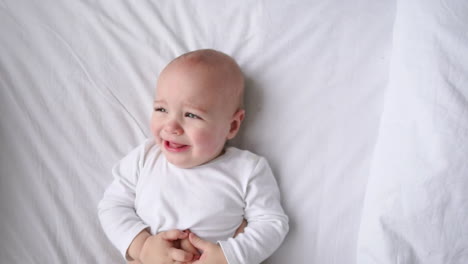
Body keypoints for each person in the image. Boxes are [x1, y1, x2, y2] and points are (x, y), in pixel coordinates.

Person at [98, 49, 289, 264]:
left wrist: (228, 256)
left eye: (191, 115)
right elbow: (113, 205)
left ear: (232, 125)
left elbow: (271, 223)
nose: (171, 126)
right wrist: (142, 246)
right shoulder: (145, 157)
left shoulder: (247, 169)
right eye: (161, 109)